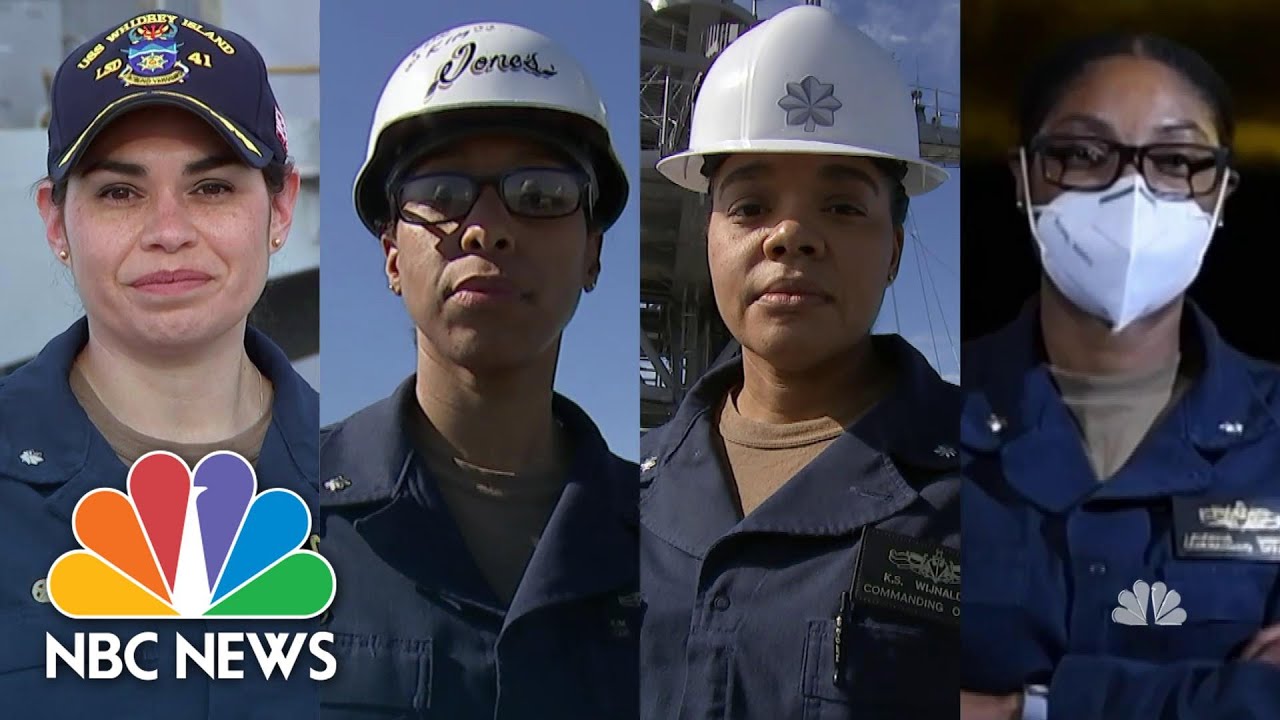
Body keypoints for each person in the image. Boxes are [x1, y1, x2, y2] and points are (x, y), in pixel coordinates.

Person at [641, 5, 959, 718]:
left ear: (895, 250)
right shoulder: (620, 504)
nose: (789, 235)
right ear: (708, 236)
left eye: (842, 208)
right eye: (749, 206)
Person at [316, 20, 638, 720]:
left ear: (593, 251)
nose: (486, 228)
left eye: (541, 193)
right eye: (440, 193)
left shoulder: (669, 540)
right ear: (392, 254)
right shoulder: (269, 520)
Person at [0, 11, 317, 718]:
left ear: (279, 207)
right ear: (56, 221)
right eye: (120, 192)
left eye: (212, 188)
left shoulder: (378, 501)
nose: (169, 232)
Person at [960, 32, 1280, 720]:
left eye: (1176, 160)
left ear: (1221, 193)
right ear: (1023, 176)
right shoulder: (921, 416)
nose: (1132, 191)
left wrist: (1013, 711)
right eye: (1083, 153)